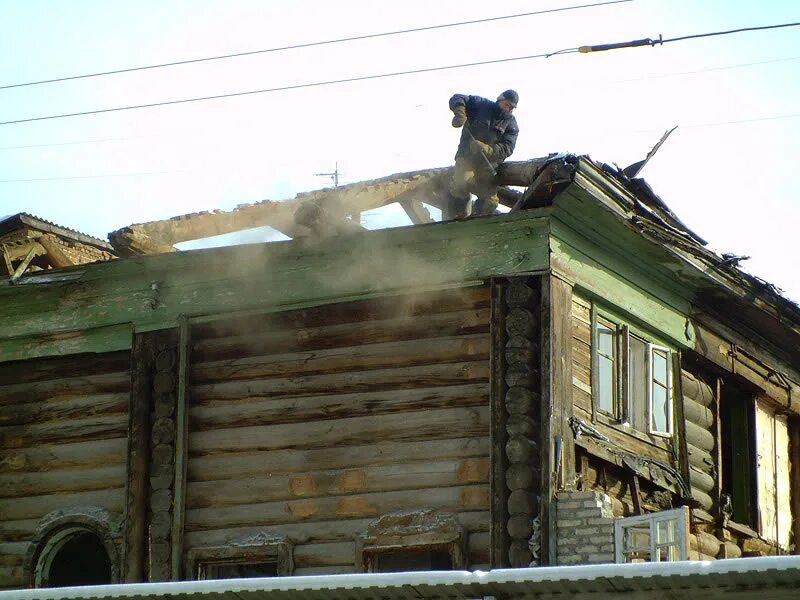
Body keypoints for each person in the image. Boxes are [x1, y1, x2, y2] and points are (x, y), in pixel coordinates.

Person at [448, 90, 519, 218]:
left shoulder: (511, 123)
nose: (509, 109)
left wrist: (487, 149)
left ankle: (476, 222)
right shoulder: (481, 105)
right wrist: (460, 114)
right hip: (466, 158)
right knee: (461, 183)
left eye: (512, 107)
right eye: (507, 104)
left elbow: (508, 147)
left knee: (490, 201)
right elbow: (458, 98)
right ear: (500, 99)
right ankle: (457, 218)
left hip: (488, 165)